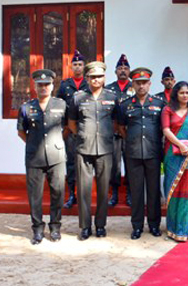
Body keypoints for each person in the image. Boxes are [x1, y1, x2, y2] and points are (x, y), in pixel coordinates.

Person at [67, 61, 118, 240]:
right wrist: (82, 135)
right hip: (83, 148)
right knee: (83, 189)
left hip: (104, 148)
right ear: (87, 78)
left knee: (104, 189)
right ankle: (85, 226)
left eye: (100, 76)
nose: (96, 80)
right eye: (93, 77)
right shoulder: (78, 97)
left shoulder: (113, 97)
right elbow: (71, 122)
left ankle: (101, 225)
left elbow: (117, 122)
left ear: (104, 78)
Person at [17, 69, 67, 244]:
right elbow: (21, 131)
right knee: (35, 196)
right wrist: (34, 145)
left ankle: (55, 228)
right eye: (40, 85)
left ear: (53, 86)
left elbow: (68, 127)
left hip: (56, 156)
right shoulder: (26, 107)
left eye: (47, 84)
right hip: (34, 158)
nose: (44, 87)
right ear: (35, 86)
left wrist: (57, 143)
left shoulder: (61, 105)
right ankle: (37, 229)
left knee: (57, 193)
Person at [118, 67, 166, 239]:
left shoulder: (160, 104)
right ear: (133, 84)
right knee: (136, 191)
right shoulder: (125, 105)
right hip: (133, 153)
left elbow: (164, 128)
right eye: (138, 83)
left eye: (144, 83)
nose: (141, 86)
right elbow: (121, 128)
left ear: (150, 84)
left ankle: (154, 225)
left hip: (153, 152)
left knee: (153, 191)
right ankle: (137, 226)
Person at [161, 81, 188, 242]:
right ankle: (176, 227)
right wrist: (180, 145)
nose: (185, 96)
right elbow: (166, 130)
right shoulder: (168, 110)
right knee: (173, 187)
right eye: (182, 93)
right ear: (176, 94)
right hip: (173, 154)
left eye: (187, 93)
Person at [55, 50, 89, 209]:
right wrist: (64, 127)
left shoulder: (89, 84)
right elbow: (58, 107)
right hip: (69, 130)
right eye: (74, 64)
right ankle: (71, 195)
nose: (77, 67)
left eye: (80, 64)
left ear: (84, 66)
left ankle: (84, 195)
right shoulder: (64, 85)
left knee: (86, 163)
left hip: (86, 129)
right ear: (71, 66)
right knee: (70, 163)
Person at [106, 54, 134, 207]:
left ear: (129, 71)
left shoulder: (135, 88)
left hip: (130, 133)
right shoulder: (109, 89)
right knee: (114, 165)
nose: (123, 71)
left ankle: (130, 193)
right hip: (114, 133)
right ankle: (115, 193)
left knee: (130, 163)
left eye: (125, 68)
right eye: (120, 68)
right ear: (115, 71)